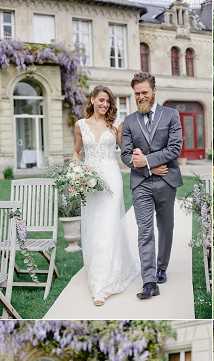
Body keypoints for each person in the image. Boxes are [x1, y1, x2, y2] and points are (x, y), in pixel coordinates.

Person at [73, 85, 139, 306]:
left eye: (108, 101)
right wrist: (75, 172)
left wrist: (139, 153)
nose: (104, 104)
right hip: (89, 181)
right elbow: (76, 152)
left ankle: (102, 286)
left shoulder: (115, 125)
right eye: (101, 100)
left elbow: (126, 149)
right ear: (92, 99)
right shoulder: (80, 125)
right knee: (94, 226)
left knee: (108, 226)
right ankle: (98, 270)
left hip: (111, 179)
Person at [120, 72, 183, 301]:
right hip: (141, 183)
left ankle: (161, 267)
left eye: (144, 92)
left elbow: (175, 148)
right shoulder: (129, 121)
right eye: (137, 93)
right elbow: (126, 155)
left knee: (165, 227)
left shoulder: (171, 115)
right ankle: (149, 281)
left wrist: (146, 160)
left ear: (154, 91)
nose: (140, 97)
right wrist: (148, 168)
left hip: (167, 180)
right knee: (144, 230)